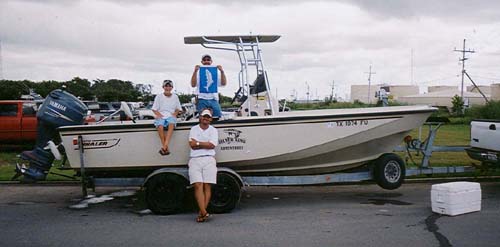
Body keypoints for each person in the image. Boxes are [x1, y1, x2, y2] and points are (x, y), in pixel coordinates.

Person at [188, 108, 218, 222]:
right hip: (195, 159)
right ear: (200, 117)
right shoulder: (193, 129)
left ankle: (201, 213)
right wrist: (203, 144)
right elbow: (191, 144)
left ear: (210, 119)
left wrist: (198, 143)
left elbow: (212, 145)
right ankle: (204, 212)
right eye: (204, 116)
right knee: (197, 185)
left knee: (207, 185)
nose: (206, 118)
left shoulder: (213, 130)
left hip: (209, 159)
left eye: (208, 117)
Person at [190, 54, 227, 119]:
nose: (206, 61)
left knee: (217, 117)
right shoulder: (198, 73)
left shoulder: (215, 72)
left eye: (208, 60)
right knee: (203, 118)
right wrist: (195, 71)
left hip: (213, 99)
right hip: (201, 99)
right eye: (204, 60)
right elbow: (193, 85)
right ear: (202, 62)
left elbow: (223, 83)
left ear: (211, 61)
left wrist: (222, 71)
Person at [152, 79, 181, 155]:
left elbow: (178, 108)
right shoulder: (159, 96)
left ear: (172, 87)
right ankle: (165, 146)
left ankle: (165, 146)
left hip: (170, 115)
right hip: (161, 115)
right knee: (160, 126)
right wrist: (159, 115)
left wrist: (175, 114)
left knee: (171, 124)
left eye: (169, 86)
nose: (167, 88)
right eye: (166, 86)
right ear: (163, 87)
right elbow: (154, 109)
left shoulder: (175, 97)